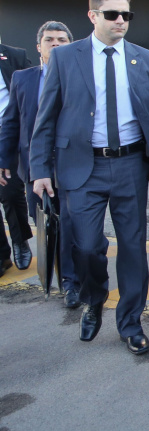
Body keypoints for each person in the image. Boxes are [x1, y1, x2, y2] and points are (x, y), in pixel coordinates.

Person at [30, 0, 149, 355]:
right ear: (93, 16)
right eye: (112, 14)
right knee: (85, 247)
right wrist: (39, 169)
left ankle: (130, 322)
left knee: (133, 248)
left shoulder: (144, 60)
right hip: (81, 167)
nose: (121, 21)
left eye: (126, 15)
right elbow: (45, 118)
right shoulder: (66, 58)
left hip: (130, 164)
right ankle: (94, 298)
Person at [0, 21, 80, 306]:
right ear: (39, 47)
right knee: (49, 225)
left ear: (72, 45)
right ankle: (65, 278)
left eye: (61, 39)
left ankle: (72, 283)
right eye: (49, 40)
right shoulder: (23, 78)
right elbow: (11, 122)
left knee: (74, 226)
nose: (55, 44)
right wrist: (4, 160)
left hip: (75, 166)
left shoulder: (83, 76)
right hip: (36, 169)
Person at [0, 35, 33, 274]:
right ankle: (2, 256)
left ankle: (20, 239)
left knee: (10, 192)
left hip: (7, 132)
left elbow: (30, 94)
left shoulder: (14, 56)